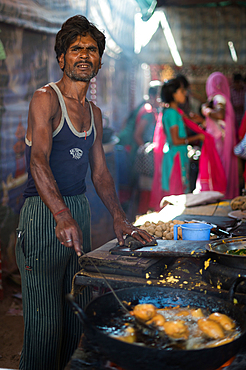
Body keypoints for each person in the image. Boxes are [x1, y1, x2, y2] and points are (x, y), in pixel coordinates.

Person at [15, 15, 153, 370]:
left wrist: (120, 218)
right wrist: (61, 215)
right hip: (44, 214)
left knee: (74, 316)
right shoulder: (45, 99)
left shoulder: (94, 112)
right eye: (76, 48)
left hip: (78, 212)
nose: (84, 55)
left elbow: (101, 173)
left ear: (99, 62)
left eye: (92, 49)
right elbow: (39, 162)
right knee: (45, 325)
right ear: (61, 58)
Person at [160, 78, 204, 196]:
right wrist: (197, 137)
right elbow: (176, 140)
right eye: (181, 91)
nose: (184, 93)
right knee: (177, 193)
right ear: (173, 94)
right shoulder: (173, 114)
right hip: (176, 157)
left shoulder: (173, 112)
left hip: (176, 155)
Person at [201, 72, 239, 199]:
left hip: (219, 142)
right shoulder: (221, 98)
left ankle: (220, 196)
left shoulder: (218, 97)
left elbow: (219, 115)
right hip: (220, 139)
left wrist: (205, 110)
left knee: (219, 167)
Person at [133, 85, 160, 214]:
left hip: (146, 157)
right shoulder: (148, 113)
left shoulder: (149, 109)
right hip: (146, 159)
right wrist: (146, 151)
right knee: (145, 192)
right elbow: (137, 135)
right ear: (152, 97)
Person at [230, 72, 246, 138]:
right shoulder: (231, 91)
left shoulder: (244, 90)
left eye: (238, 82)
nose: (237, 84)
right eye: (236, 82)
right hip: (235, 118)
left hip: (243, 117)